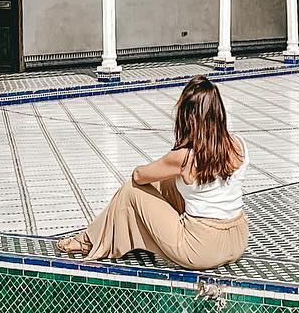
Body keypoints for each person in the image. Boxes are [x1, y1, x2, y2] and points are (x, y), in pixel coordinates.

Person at [56, 75, 249, 268]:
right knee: (165, 183)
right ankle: (117, 235)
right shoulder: (238, 144)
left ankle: (88, 241)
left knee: (132, 190)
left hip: (201, 250)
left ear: (188, 117)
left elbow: (138, 176)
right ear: (218, 112)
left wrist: (169, 162)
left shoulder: (184, 157)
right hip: (238, 240)